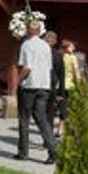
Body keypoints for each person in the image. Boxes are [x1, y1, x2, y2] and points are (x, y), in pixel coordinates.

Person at [15, 20, 57, 164]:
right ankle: (53, 150)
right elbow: (49, 67)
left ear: (28, 30)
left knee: (24, 118)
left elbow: (27, 67)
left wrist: (19, 80)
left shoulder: (26, 45)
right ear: (40, 31)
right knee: (42, 119)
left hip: (29, 85)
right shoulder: (46, 46)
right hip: (44, 85)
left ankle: (23, 152)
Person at [44, 30, 67, 142]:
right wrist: (61, 93)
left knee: (42, 112)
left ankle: (46, 136)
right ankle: (48, 138)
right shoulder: (58, 56)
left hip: (41, 85)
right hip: (52, 86)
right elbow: (62, 75)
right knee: (49, 113)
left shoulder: (42, 53)